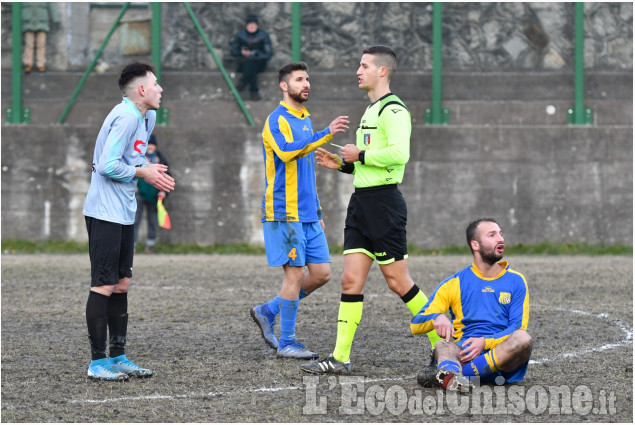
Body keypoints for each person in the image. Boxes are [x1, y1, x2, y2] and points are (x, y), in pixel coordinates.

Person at [300, 45, 442, 375]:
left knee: (398, 282)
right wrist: (342, 165)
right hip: (361, 203)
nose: (358, 71)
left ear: (382, 71)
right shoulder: (370, 110)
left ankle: (443, 345)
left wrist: (359, 156)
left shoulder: (394, 110)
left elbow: (399, 155)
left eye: (364, 66)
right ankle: (340, 358)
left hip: (384, 205)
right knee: (350, 281)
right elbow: (370, 162)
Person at [250, 61, 349, 360]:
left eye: (307, 79)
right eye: (299, 79)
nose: (306, 84)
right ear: (284, 86)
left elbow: (306, 168)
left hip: (307, 213)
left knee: (321, 274)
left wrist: (316, 207)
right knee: (294, 275)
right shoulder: (276, 120)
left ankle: (267, 311)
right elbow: (288, 151)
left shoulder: (304, 117)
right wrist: (326, 133)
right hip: (284, 211)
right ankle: (288, 342)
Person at [82, 62, 175, 381]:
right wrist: (143, 171)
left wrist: (149, 169)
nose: (161, 89)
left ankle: (118, 356)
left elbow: (132, 158)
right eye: (156, 84)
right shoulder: (124, 116)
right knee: (104, 284)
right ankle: (97, 362)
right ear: (141, 90)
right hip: (104, 211)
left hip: (124, 211)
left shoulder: (146, 116)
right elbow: (106, 165)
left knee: (122, 284)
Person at [411, 218, 532, 392]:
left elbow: (518, 326)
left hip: (503, 360)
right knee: (442, 345)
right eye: (492, 235)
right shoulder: (454, 283)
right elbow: (416, 324)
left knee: (523, 338)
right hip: (465, 354)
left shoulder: (516, 281)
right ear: (475, 244)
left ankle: (451, 376)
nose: (500, 239)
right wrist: (436, 317)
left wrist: (485, 342)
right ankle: (455, 377)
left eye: (500, 234)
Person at [134, 134, 170, 254]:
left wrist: (163, 191)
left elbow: (168, 175)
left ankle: (150, 246)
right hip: (139, 194)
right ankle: (131, 246)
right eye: (147, 144)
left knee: (153, 220)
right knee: (134, 220)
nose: (150, 146)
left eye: (152, 144)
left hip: (154, 196)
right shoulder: (138, 157)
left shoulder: (161, 159)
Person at [230, 14, 273, 100]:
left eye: (254, 23)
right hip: (243, 63)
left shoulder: (263, 35)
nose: (252, 26)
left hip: (259, 64)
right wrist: (242, 53)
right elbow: (233, 51)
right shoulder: (240, 35)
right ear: (246, 25)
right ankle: (254, 90)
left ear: (257, 25)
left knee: (252, 62)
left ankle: (243, 82)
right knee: (249, 62)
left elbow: (268, 53)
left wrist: (254, 53)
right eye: (250, 24)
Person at [21, 2, 60, 73]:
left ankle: (41, 64)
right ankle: (28, 63)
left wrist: (56, 19)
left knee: (41, 44)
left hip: (42, 22)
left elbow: (52, 5)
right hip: (28, 22)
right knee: (29, 44)